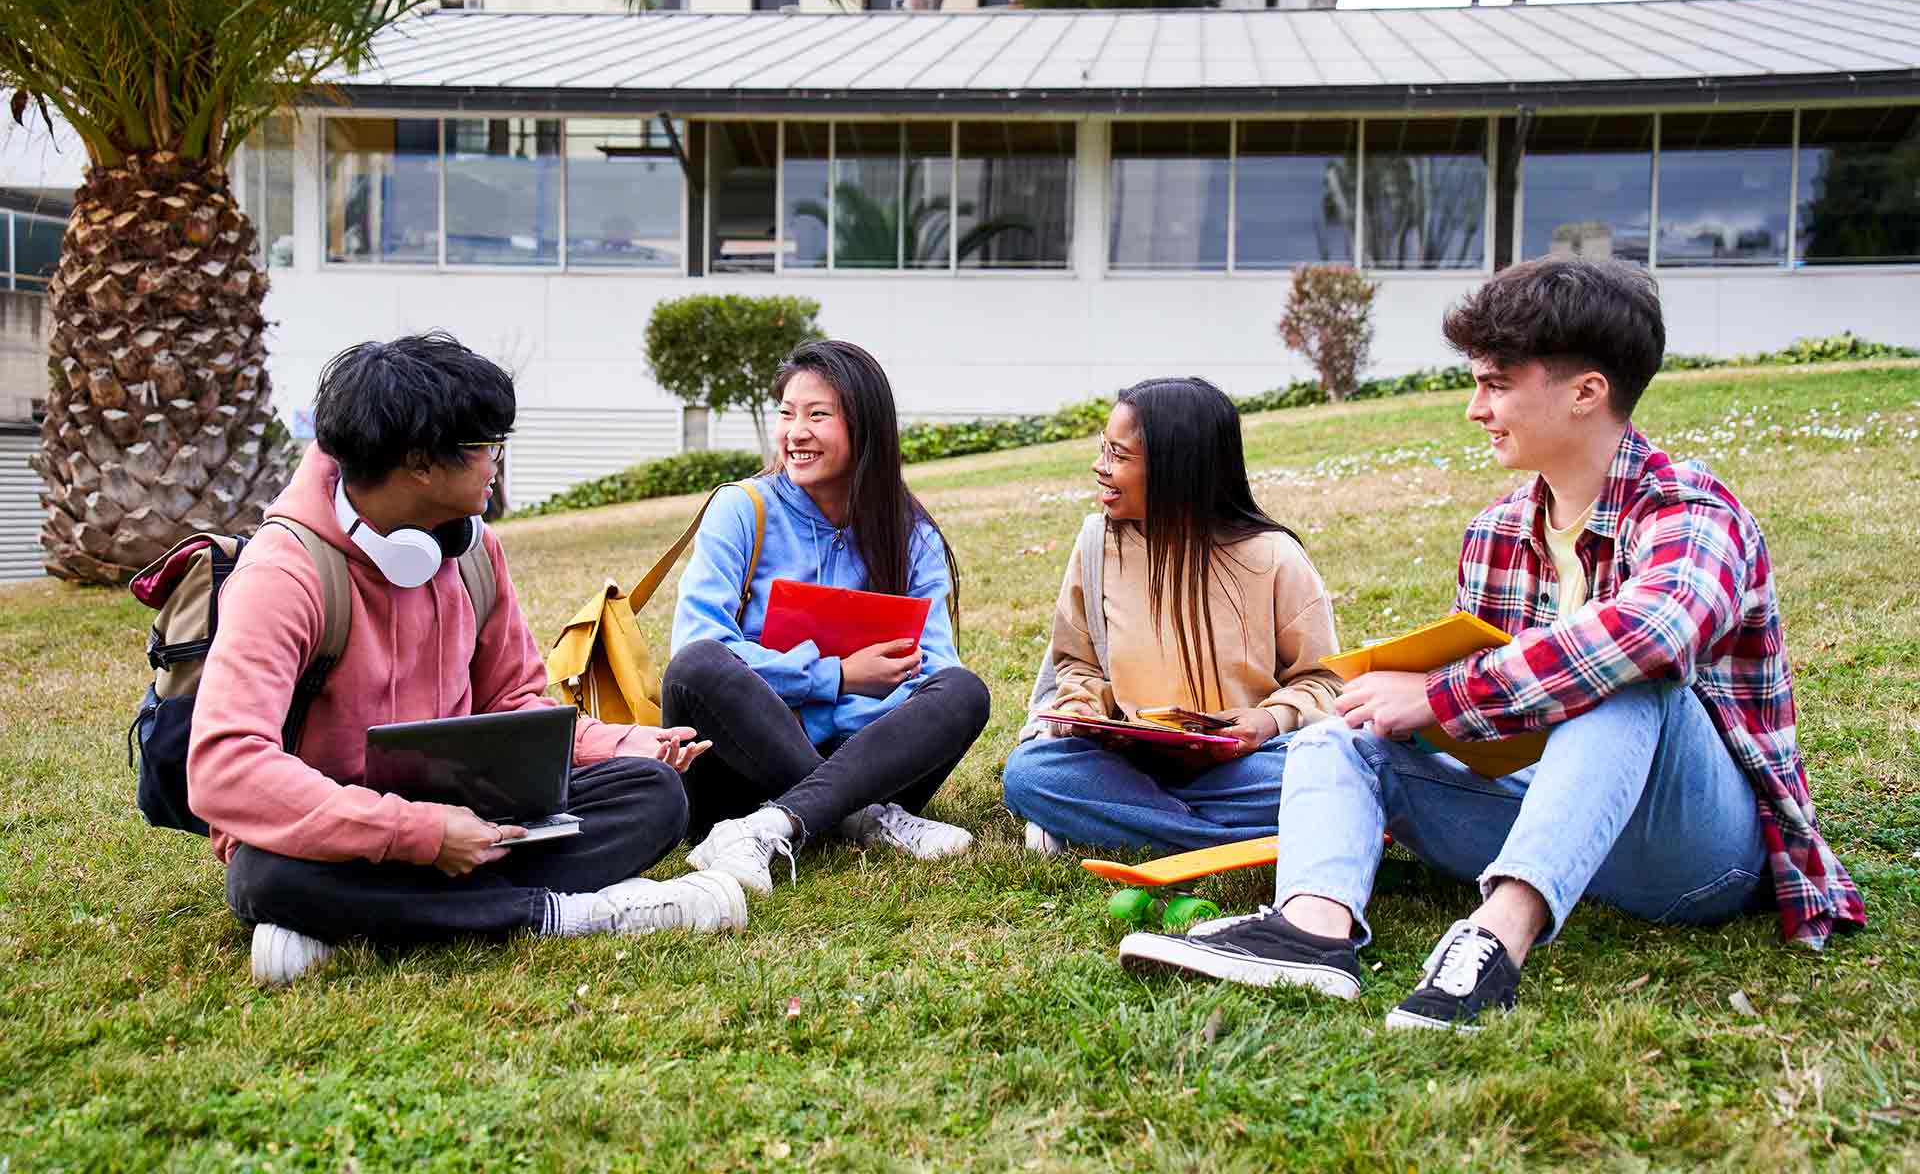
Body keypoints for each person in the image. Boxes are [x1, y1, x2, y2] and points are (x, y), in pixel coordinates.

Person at [1120, 258, 1866, 1030]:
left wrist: (1441, 693)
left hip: (1698, 854)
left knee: (1631, 677)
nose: (1476, 409)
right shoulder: (1498, 532)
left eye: (1497, 384)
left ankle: (1492, 944)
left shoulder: (1689, 507)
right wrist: (1404, 701)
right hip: (1548, 820)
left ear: (1587, 393)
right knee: (1344, 731)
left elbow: (1652, 634)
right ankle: (1310, 931)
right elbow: (1494, 726)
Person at [189, 333, 744, 987]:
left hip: (476, 817)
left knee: (652, 795)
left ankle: (356, 929)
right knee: (267, 874)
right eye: (484, 448)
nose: (494, 466)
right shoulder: (285, 572)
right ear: (422, 464)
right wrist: (417, 833)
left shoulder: (475, 552)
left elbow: (515, 707)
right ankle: (575, 914)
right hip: (343, 827)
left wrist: (629, 743)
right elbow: (225, 771)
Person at [662, 340, 991, 894]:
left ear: (866, 429)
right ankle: (862, 820)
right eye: (787, 414)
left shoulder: (911, 534)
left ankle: (790, 821)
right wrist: (835, 675)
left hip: (866, 760)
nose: (795, 431)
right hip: (742, 770)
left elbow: (934, 666)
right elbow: (702, 643)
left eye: (818, 415)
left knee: (963, 690)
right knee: (697, 666)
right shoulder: (742, 509)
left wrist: (877, 698)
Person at [1001, 377, 1343, 855]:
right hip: (1131, 765)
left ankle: (1129, 823)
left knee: (1337, 766)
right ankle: (1242, 839)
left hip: (1247, 765)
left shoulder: (1273, 556)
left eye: (1118, 456)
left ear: (1174, 468)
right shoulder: (1098, 545)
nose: (1099, 467)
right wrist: (1083, 709)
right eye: (1105, 450)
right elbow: (1077, 665)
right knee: (1030, 773)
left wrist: (1267, 721)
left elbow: (1325, 682)